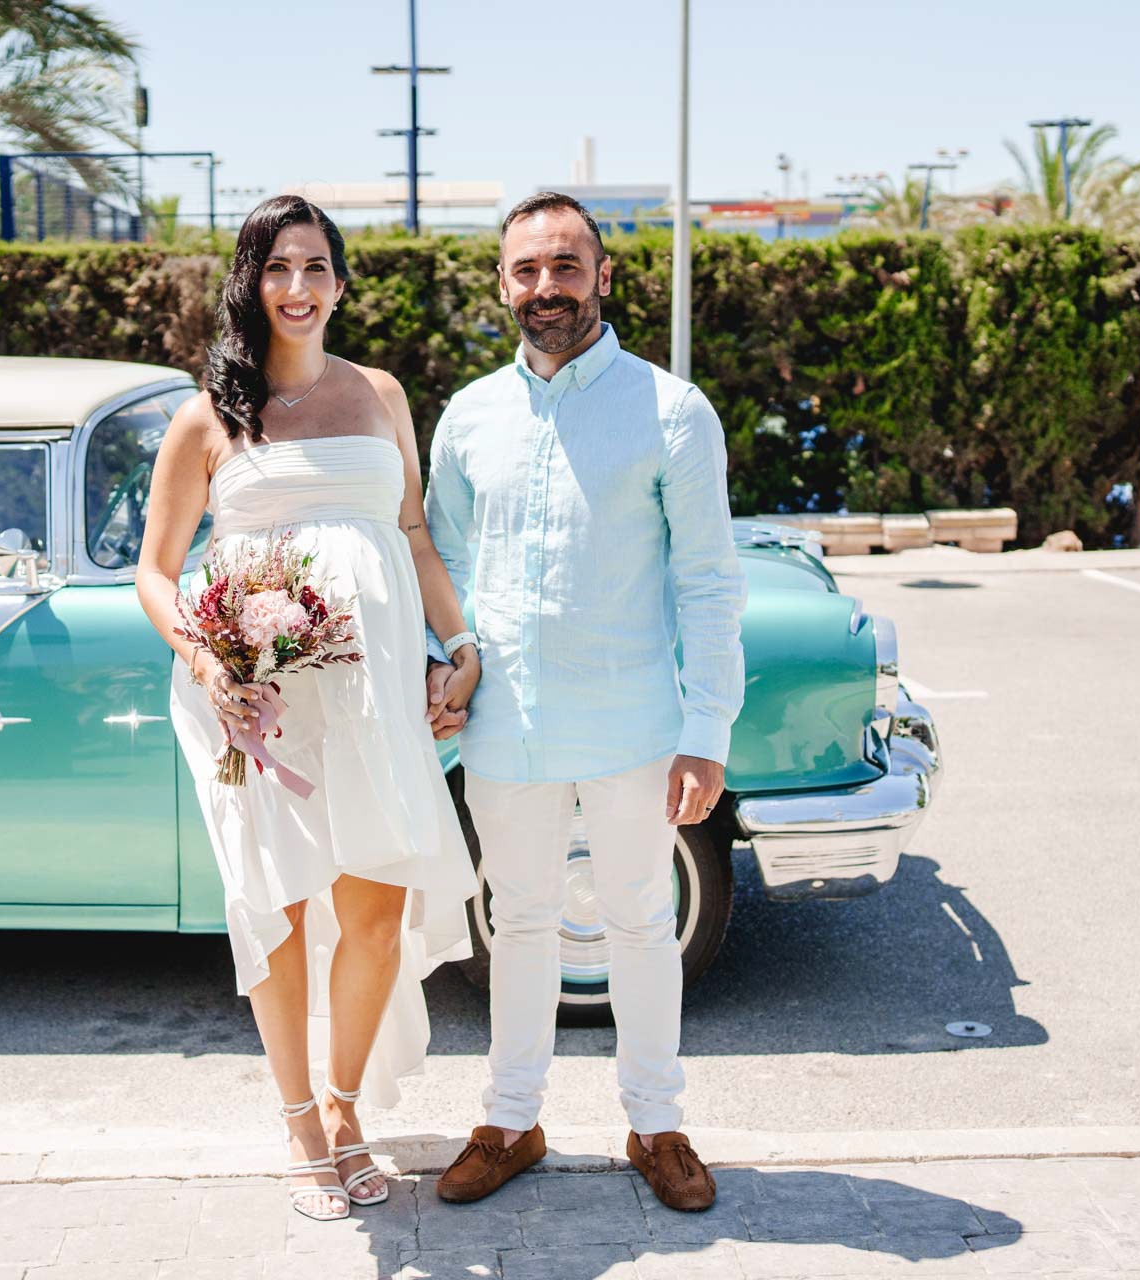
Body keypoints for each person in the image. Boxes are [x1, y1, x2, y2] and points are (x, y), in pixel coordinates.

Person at [135, 196, 479, 1223]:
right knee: (278, 907)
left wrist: (457, 645)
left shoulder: (380, 393)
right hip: (256, 702)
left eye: (316, 266)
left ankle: (344, 1107)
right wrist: (203, 658)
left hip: (372, 691)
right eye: (278, 267)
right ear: (251, 280)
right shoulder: (207, 415)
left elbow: (412, 533)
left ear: (340, 280)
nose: (298, 287)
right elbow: (154, 572)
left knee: (375, 907)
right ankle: (296, 1123)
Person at [423, 192, 746, 1213]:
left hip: (632, 721)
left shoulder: (671, 410)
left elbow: (708, 580)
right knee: (514, 921)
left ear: (603, 276)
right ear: (503, 284)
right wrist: (447, 663)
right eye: (527, 269)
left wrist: (706, 731)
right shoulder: (469, 415)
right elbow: (445, 565)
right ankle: (511, 1120)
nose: (546, 286)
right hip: (505, 725)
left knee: (642, 922)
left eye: (566, 265)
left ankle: (657, 1125)